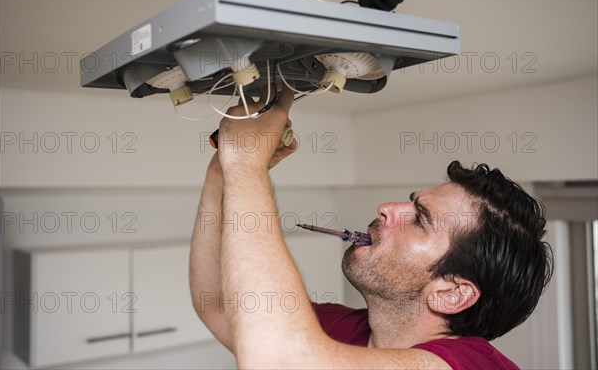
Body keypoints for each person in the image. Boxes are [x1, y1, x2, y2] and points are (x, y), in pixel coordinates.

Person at [189, 84, 554, 369]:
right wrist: (224, 170)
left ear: (452, 293)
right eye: (410, 203)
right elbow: (220, 306)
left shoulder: (472, 365)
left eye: (419, 220)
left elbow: (276, 360)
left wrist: (248, 163)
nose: (387, 208)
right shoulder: (340, 331)